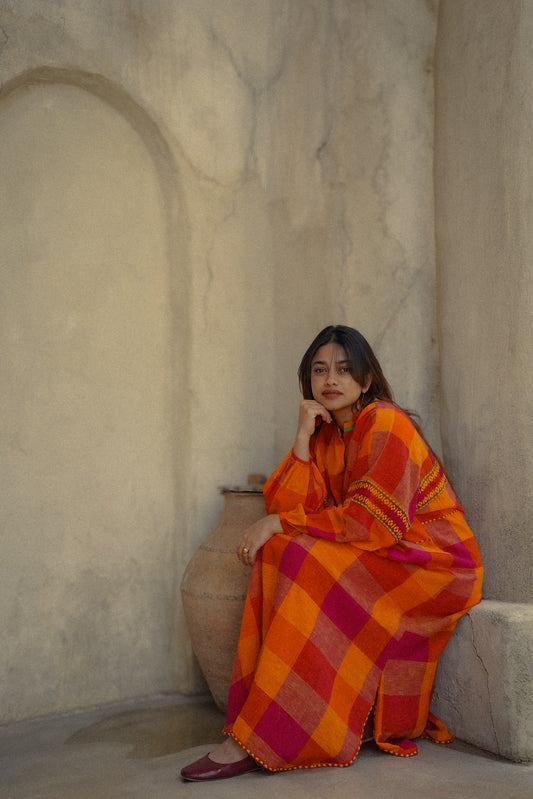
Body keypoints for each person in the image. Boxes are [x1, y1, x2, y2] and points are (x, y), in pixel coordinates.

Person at [181, 325, 483, 781]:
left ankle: (266, 734)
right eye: (320, 370)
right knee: (280, 551)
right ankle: (273, 725)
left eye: (344, 369)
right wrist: (303, 438)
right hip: (389, 554)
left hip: (436, 563)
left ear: (366, 378)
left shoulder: (385, 421)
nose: (331, 380)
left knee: (297, 555)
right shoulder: (327, 435)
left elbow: (369, 524)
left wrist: (280, 524)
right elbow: (287, 505)